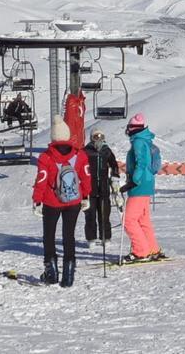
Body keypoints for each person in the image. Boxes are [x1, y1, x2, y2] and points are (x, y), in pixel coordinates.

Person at [32, 117, 91, 286]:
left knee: (49, 236)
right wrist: (86, 196)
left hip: (52, 202)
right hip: (73, 201)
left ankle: (51, 273)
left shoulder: (46, 157)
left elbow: (41, 180)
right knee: (69, 236)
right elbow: (86, 178)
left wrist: (37, 200)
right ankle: (69, 275)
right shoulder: (80, 155)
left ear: (53, 137)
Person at [122, 113, 164, 262]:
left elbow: (142, 162)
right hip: (147, 184)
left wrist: (134, 180)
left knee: (129, 219)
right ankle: (152, 249)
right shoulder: (146, 141)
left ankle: (141, 251)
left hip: (139, 185)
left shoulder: (139, 142)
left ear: (133, 128)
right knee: (142, 220)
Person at [83, 130, 120, 246]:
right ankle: (91, 238)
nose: (98, 139)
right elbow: (80, 166)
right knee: (90, 214)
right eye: (95, 137)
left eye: (101, 136)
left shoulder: (106, 150)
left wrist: (114, 177)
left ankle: (106, 237)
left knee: (104, 214)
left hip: (103, 188)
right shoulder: (86, 151)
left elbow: (114, 164)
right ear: (91, 138)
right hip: (90, 189)